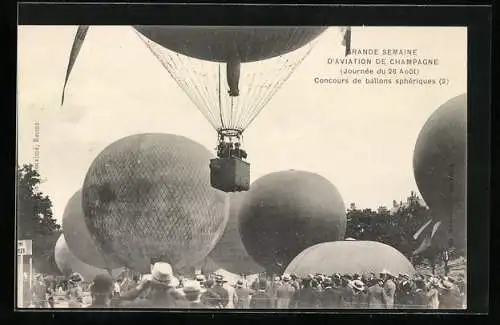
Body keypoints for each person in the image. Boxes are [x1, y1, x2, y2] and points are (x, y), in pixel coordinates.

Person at [119, 262, 185, 308]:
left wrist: (140, 288)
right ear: (171, 286)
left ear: (151, 285)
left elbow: (120, 301)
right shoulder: (180, 306)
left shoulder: (141, 305)